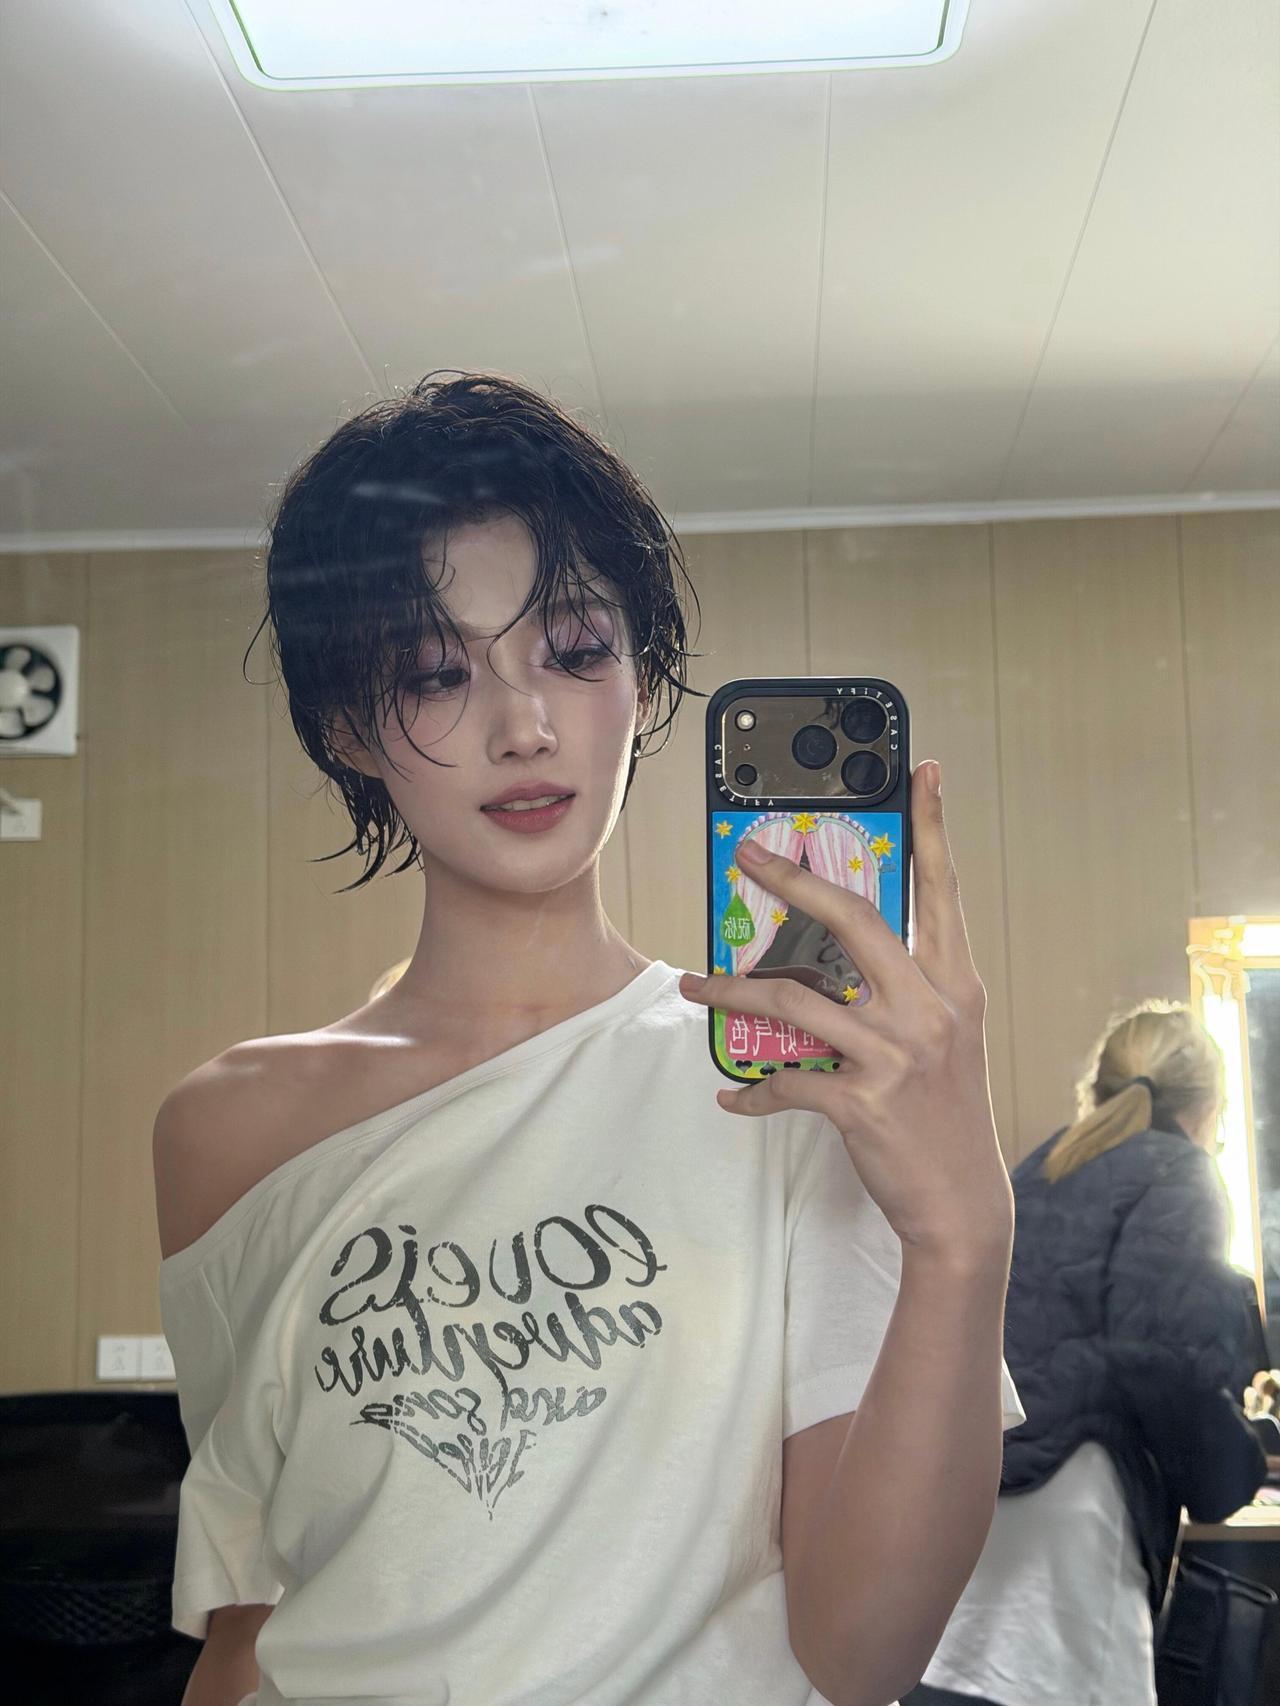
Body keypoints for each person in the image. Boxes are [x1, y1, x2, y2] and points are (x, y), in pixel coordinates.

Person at [152, 372, 1022, 1706]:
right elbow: (245, 1620)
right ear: (345, 726)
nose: (526, 724)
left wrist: (965, 1234)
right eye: (437, 671)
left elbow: (860, 1654)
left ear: (643, 675)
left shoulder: (788, 1079)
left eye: (573, 649)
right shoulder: (227, 1128)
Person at [903, 1000, 1268, 1706]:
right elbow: (1162, 1356)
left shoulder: (1038, 1170)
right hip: (1073, 1513)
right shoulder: (1180, 1173)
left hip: (970, 1500)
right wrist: (1232, 1469)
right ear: (1209, 1108)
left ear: (1095, 1090)